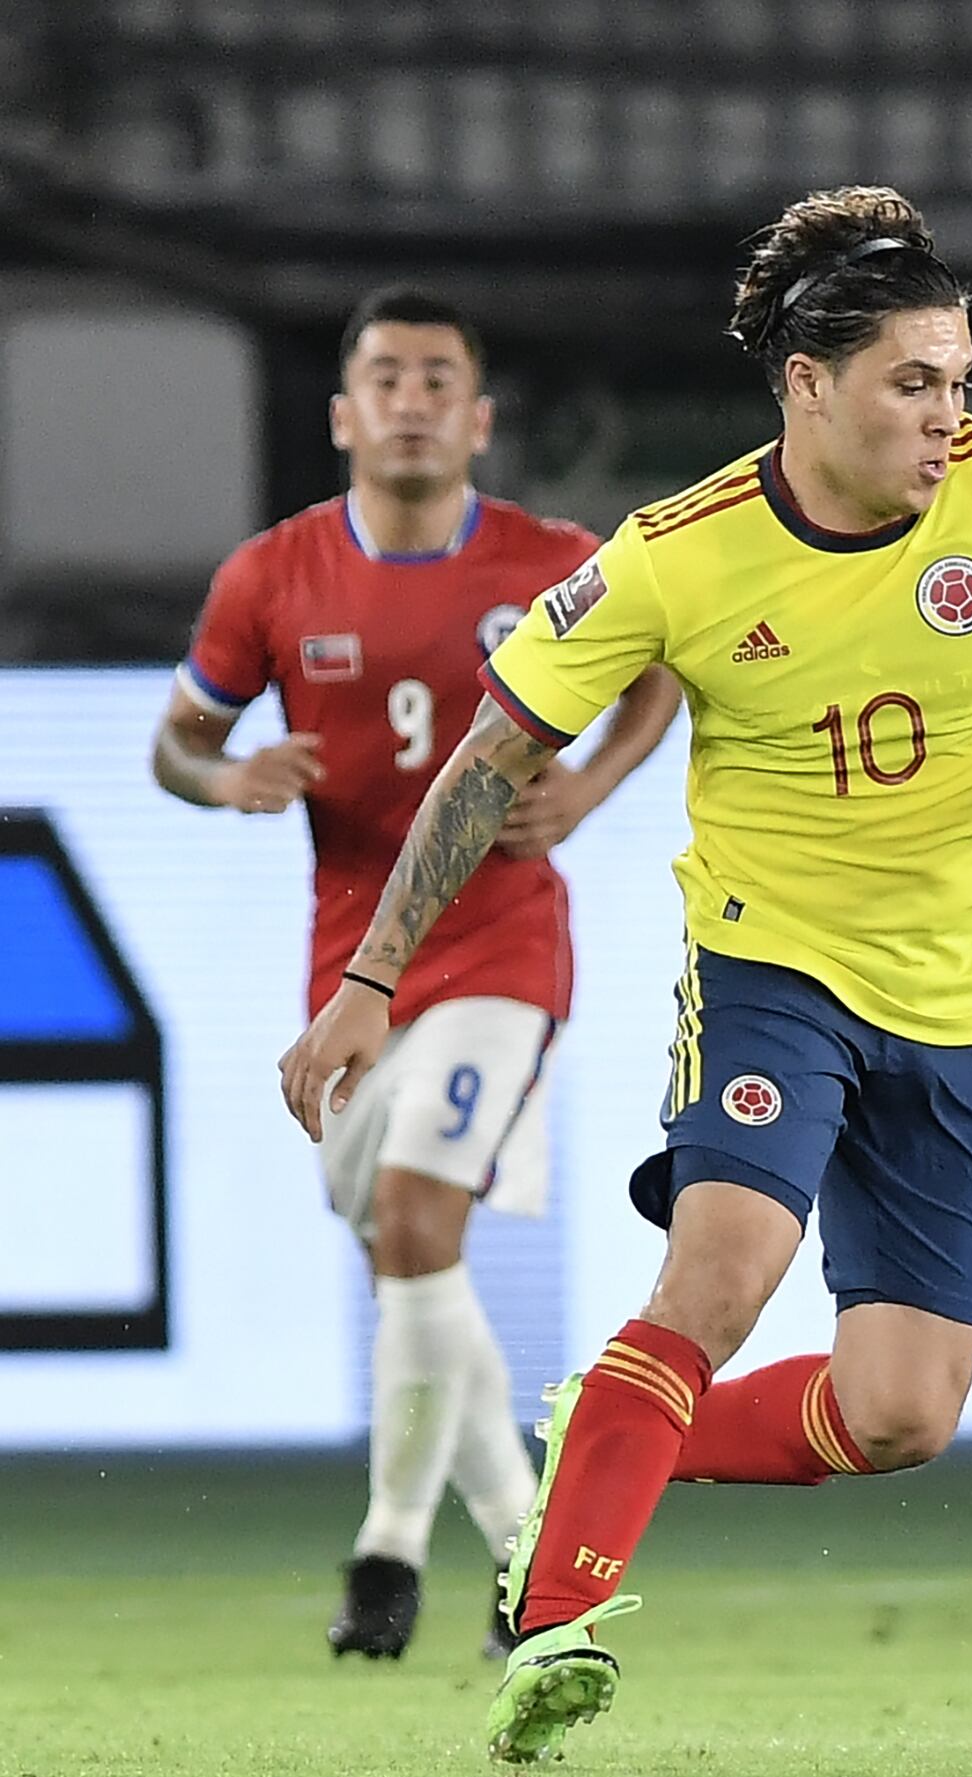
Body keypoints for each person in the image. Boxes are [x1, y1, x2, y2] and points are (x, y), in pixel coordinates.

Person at [274, 186, 972, 1763]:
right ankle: (555, 1626)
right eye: (914, 384)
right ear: (808, 385)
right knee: (723, 1274)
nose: (952, 415)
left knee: (901, 1415)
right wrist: (370, 977)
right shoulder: (677, 557)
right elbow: (491, 757)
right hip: (772, 967)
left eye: (959, 379)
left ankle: (614, 1432)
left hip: (963, 1008)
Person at [154, 287, 680, 1660]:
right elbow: (175, 743)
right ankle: (506, 1538)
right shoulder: (268, 580)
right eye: (383, 376)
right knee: (405, 1251)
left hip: (503, 946)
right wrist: (227, 777)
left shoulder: (552, 561)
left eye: (437, 378)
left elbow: (663, 669)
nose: (409, 398)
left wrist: (594, 790)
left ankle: (407, 1557)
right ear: (341, 415)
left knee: (413, 1212)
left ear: (479, 416)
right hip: (350, 970)